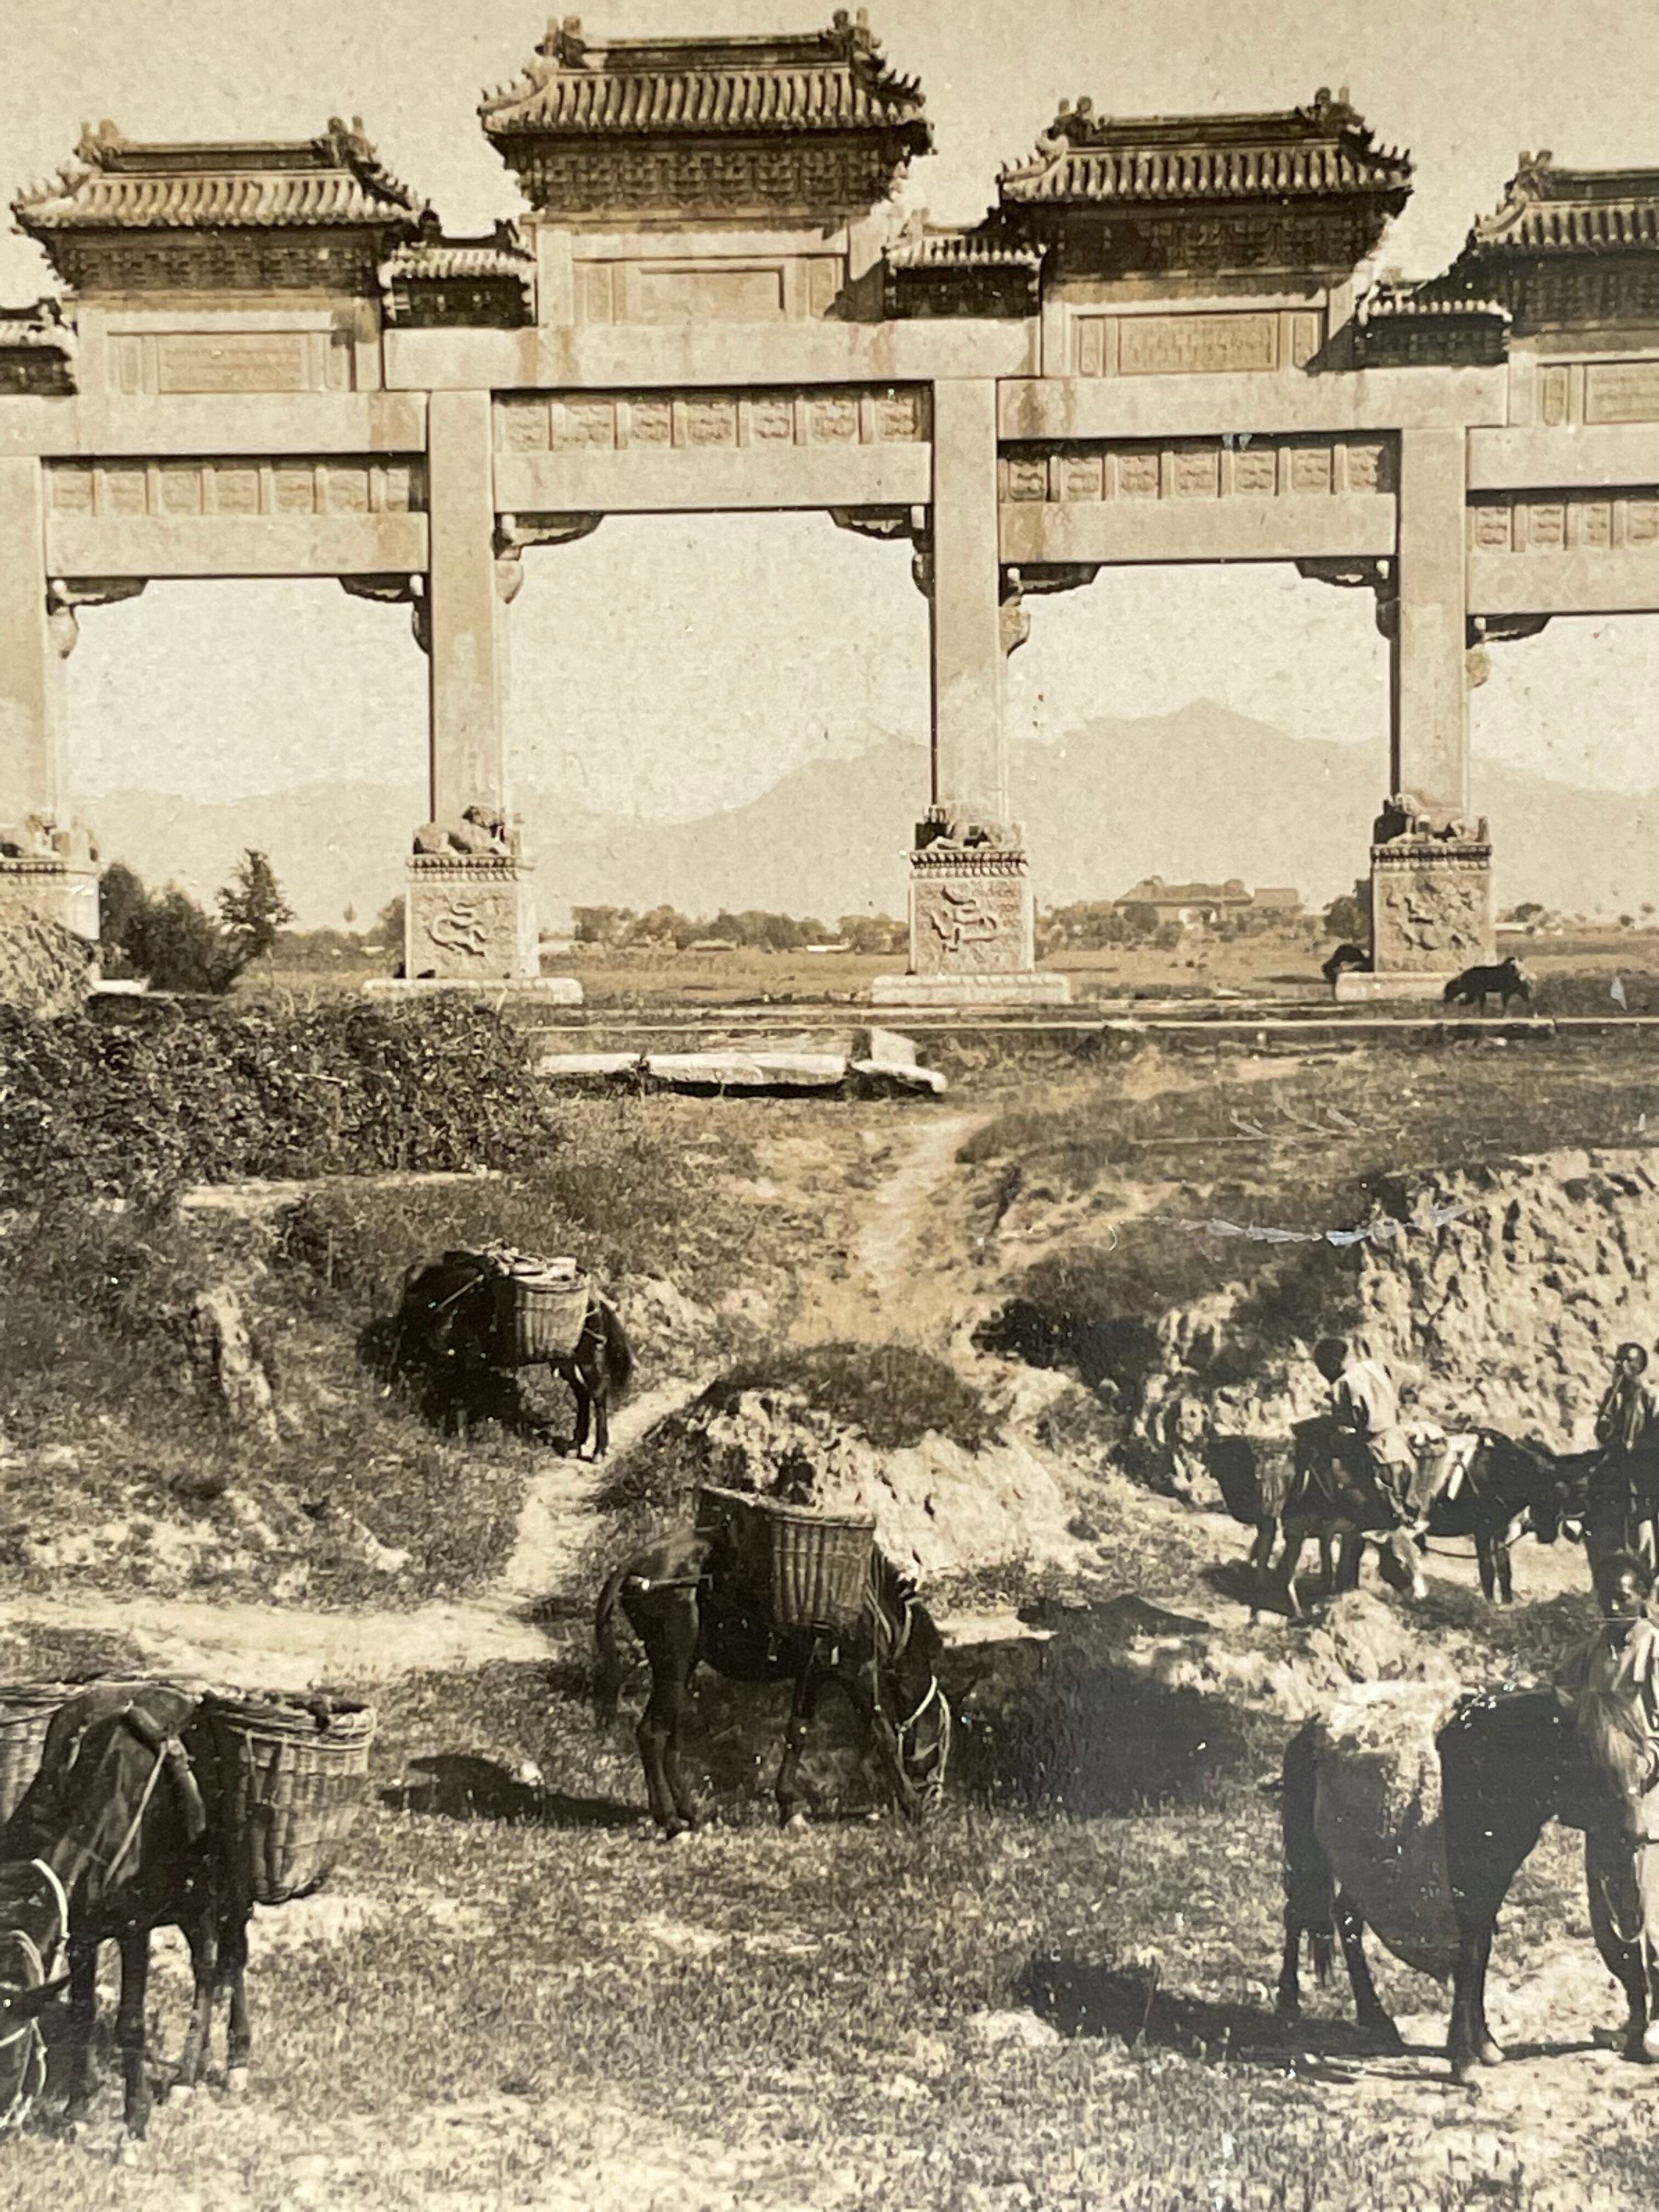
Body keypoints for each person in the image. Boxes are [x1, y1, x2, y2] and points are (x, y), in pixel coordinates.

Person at [1557, 1550, 1659, 2060]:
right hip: (1599, 1799)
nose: (1614, 1604)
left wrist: (1638, 1781)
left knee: (1648, 1912)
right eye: (1607, 1596)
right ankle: (1636, 2011)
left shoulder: (1653, 1650)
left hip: (1646, 1797)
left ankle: (1658, 2017)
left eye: (1624, 1595)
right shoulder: (1594, 1650)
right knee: (1608, 1914)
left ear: (1645, 1597)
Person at [1312, 1336, 1421, 1528]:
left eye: (1323, 1370)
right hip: (1400, 1447)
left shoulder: (1343, 1383)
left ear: (1331, 1364)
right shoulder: (1375, 1367)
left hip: (1378, 1456)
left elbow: (1349, 1426)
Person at [1594, 1344, 1659, 1568]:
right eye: (1618, 1362)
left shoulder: (1650, 1396)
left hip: (1644, 1469)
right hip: (1617, 1463)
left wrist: (1638, 1446)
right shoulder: (1614, 1395)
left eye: (1626, 1362)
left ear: (1638, 1366)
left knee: (1643, 1511)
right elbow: (1602, 1432)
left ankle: (1646, 1561)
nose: (1620, 1367)